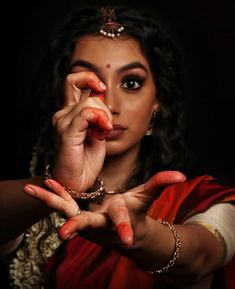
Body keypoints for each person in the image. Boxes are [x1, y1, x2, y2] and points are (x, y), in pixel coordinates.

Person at [0, 4, 235, 289]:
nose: (108, 105)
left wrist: (142, 235)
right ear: (62, 97)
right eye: (89, 84)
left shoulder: (202, 201)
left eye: (132, 82)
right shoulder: (25, 205)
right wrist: (61, 184)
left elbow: (199, 257)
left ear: (157, 102)